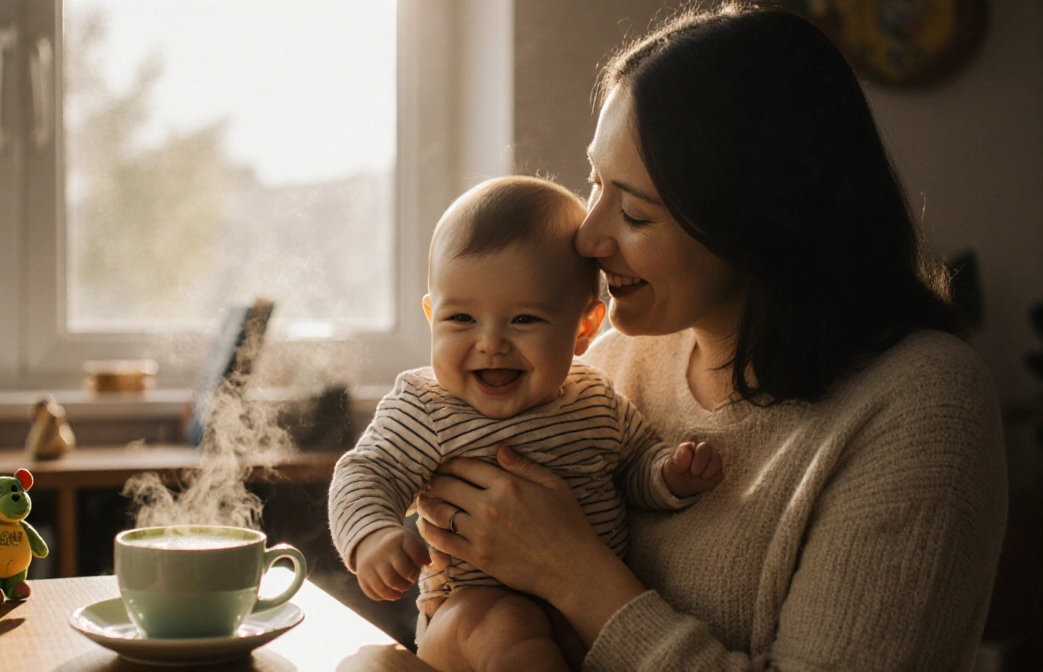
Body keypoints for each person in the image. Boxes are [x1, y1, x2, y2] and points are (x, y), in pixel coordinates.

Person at [414, 4, 1008, 670]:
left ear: (750, 221)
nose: (588, 235)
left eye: (634, 211)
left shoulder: (920, 404)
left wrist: (571, 571)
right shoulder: (607, 363)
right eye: (595, 183)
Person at [328, 175, 725, 672]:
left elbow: (635, 465)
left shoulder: (596, 398)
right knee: (508, 630)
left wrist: (669, 475)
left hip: (580, 613)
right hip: (468, 613)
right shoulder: (426, 406)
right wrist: (372, 536)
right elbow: (366, 473)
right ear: (432, 317)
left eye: (524, 321)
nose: (490, 342)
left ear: (583, 328)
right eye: (461, 320)